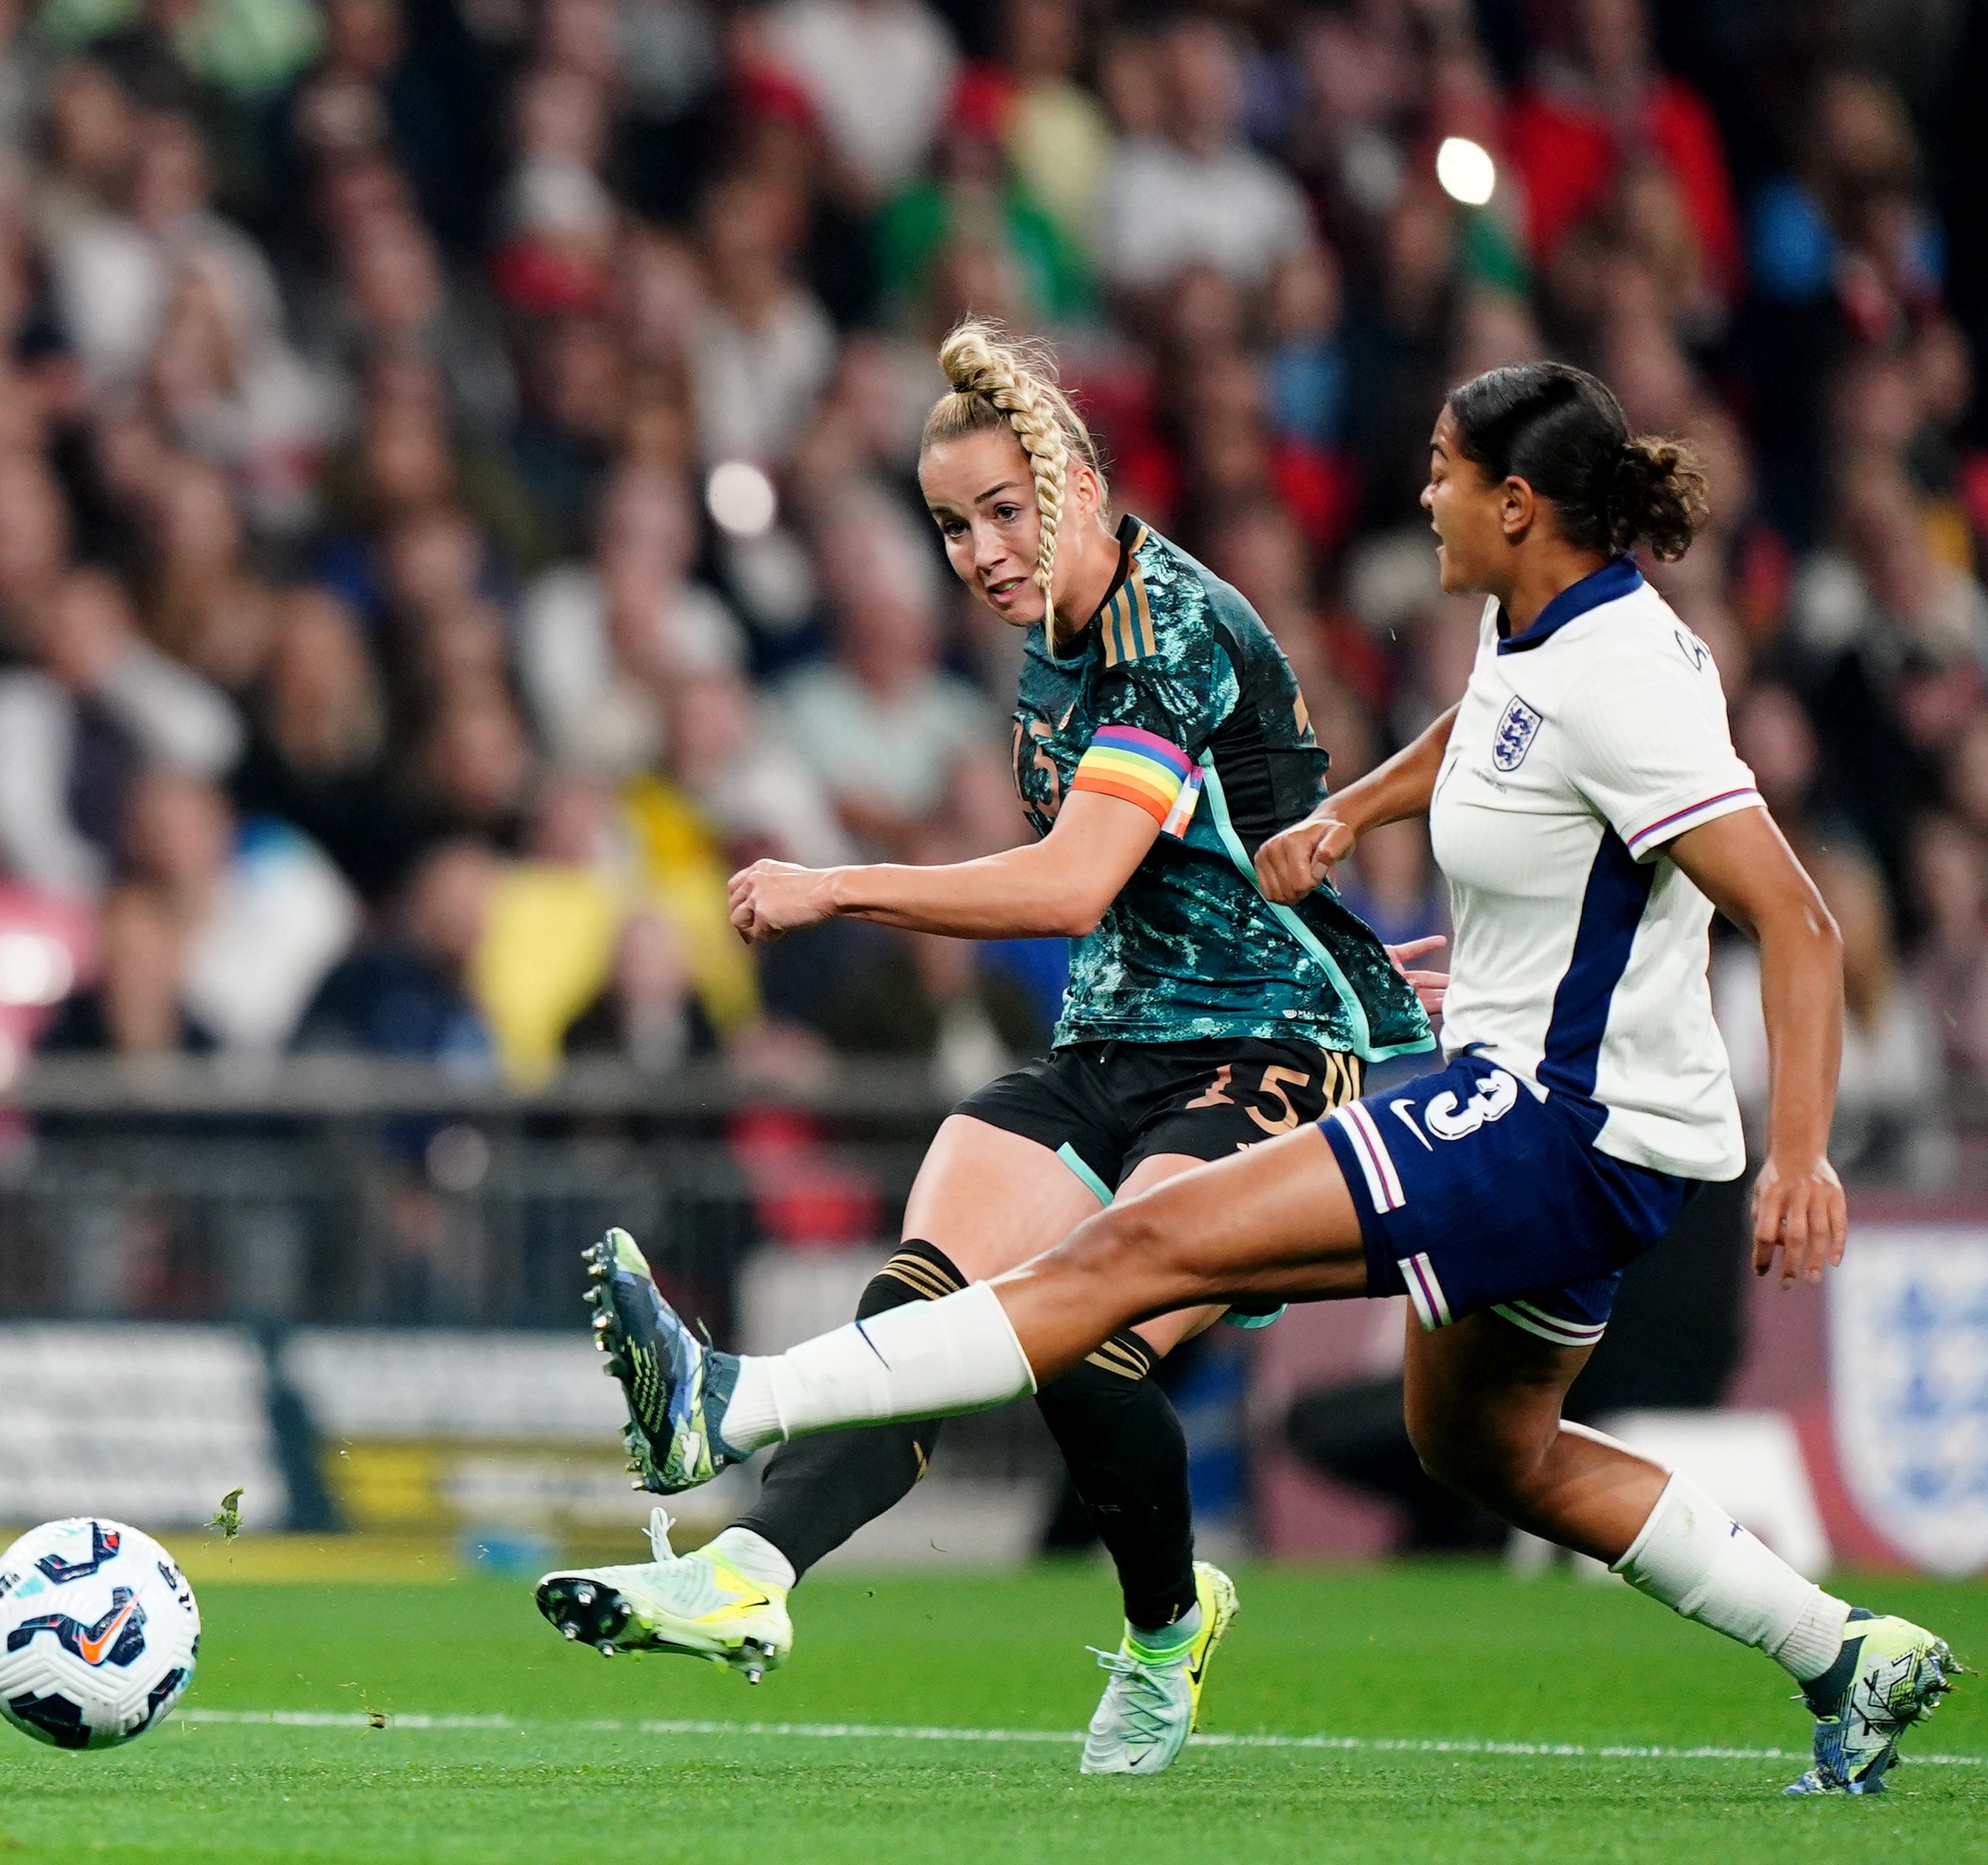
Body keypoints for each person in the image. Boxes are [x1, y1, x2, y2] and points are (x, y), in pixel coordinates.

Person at [584, 362, 1961, 1799]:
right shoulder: (1542, 627)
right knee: (1483, 1446)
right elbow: (1491, 738)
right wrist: (1354, 815)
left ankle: (731, 1398)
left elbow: (1796, 917)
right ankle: (1841, 1649)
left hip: (1549, 1120)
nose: (1416, 491)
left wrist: (1798, 1153)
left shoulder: (1615, 674)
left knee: (1125, 1253)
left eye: (1438, 468)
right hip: (1535, 1102)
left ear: (1514, 501)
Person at [534, 320, 1435, 1777]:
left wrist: (837, 880)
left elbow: (1074, 879)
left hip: (1260, 1051)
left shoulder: (1165, 632)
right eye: (950, 526)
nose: (977, 550)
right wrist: (1354, 940)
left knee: (1085, 1346)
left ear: (1072, 482)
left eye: (1002, 511)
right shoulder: (1049, 653)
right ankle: (747, 1572)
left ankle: (1162, 1628)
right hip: (1113, 1034)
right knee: (926, 1309)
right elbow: (1208, 852)